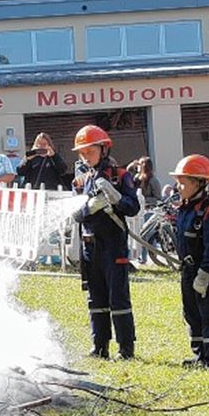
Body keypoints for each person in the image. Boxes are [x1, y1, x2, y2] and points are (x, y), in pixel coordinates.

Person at [71, 125, 139, 360]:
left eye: (90, 151)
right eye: (82, 152)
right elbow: (75, 214)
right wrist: (88, 208)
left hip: (113, 244)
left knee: (118, 298)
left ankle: (125, 348)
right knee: (95, 298)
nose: (85, 156)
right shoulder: (80, 181)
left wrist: (116, 198)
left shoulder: (120, 176)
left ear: (103, 149)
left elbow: (133, 208)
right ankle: (99, 345)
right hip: (90, 246)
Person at [170, 155, 209, 370]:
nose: (178, 186)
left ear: (198, 183)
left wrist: (205, 275)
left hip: (206, 272)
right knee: (192, 313)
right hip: (188, 269)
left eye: (183, 182)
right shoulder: (185, 208)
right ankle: (200, 355)